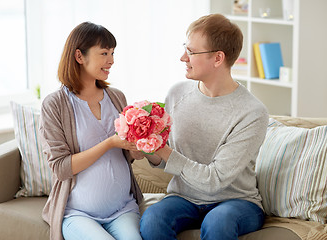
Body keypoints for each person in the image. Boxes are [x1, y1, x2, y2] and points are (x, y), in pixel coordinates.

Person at [140, 14, 269, 240]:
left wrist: (164, 151)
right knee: (153, 220)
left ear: (218, 58)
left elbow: (215, 181)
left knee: (218, 222)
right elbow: (166, 161)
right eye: (185, 48)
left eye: (191, 52)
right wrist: (148, 147)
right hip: (183, 198)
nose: (182, 57)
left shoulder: (252, 112)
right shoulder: (177, 93)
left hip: (236, 202)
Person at [39, 22, 143, 240]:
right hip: (78, 213)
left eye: (113, 53)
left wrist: (139, 146)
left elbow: (129, 156)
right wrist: (109, 143)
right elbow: (61, 168)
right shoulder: (55, 104)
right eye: (104, 53)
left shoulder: (117, 97)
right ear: (79, 56)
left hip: (122, 209)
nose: (111, 60)